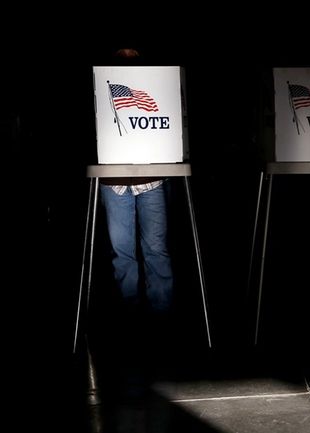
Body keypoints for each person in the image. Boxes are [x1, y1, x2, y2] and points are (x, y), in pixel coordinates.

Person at [100, 47, 174, 321]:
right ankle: (128, 317)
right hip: (114, 180)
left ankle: (161, 316)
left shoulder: (154, 85)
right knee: (122, 254)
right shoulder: (103, 83)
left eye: (133, 53)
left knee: (156, 250)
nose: (128, 58)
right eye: (121, 53)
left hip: (151, 178)